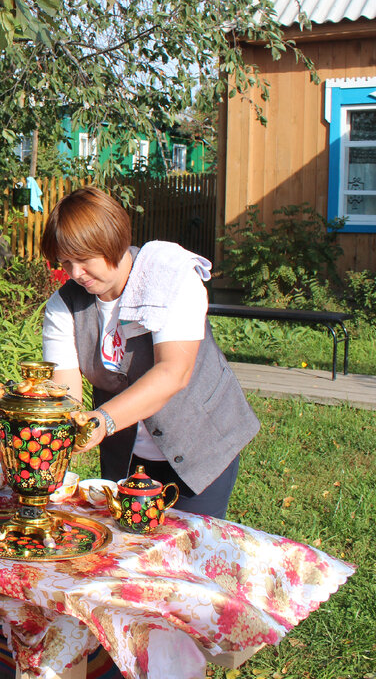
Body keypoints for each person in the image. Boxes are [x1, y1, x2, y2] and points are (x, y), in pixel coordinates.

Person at [40, 186, 259, 518]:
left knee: (188, 554)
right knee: (124, 555)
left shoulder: (171, 278)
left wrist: (102, 421)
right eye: (65, 262)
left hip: (200, 448)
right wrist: (65, 428)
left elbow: (173, 372)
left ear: (111, 241)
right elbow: (66, 392)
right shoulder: (63, 307)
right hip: (126, 458)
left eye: (83, 260)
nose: (74, 273)